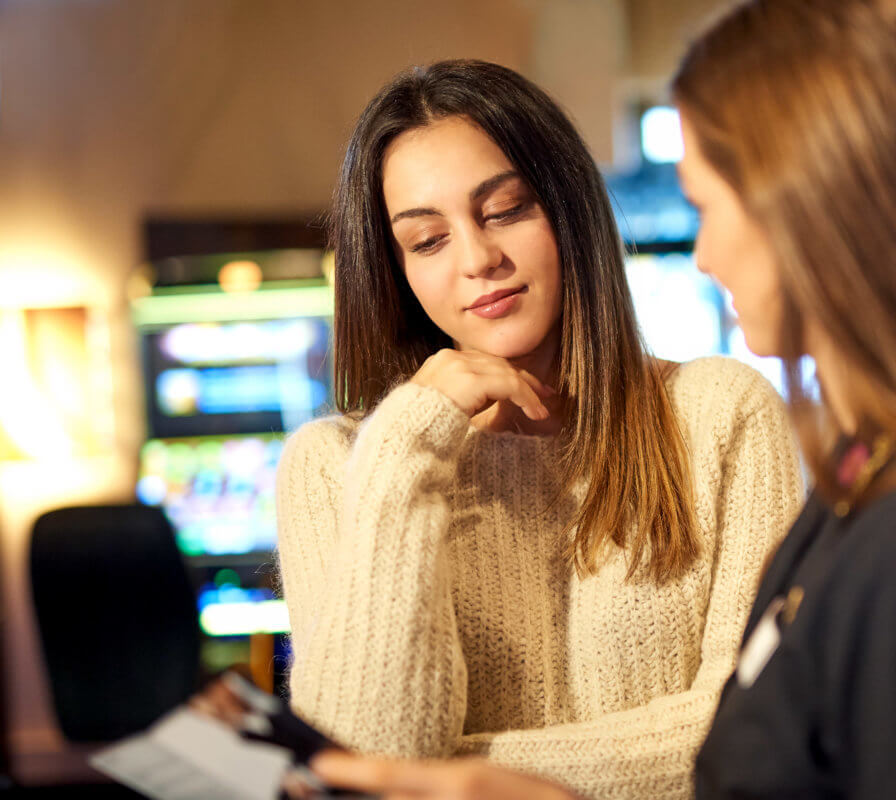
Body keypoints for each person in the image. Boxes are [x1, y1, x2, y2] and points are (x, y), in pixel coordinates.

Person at [300, 1, 896, 798]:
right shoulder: (869, 494)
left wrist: (466, 778)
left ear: (816, 216)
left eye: (708, 205)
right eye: (425, 239)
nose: (703, 255)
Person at [273, 59, 803, 799]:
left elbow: (751, 734)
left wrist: (457, 780)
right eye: (428, 241)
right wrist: (405, 450)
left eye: (506, 210)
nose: (479, 260)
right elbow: (361, 769)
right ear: (394, 272)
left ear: (569, 209)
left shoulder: (720, 416)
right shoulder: (336, 465)